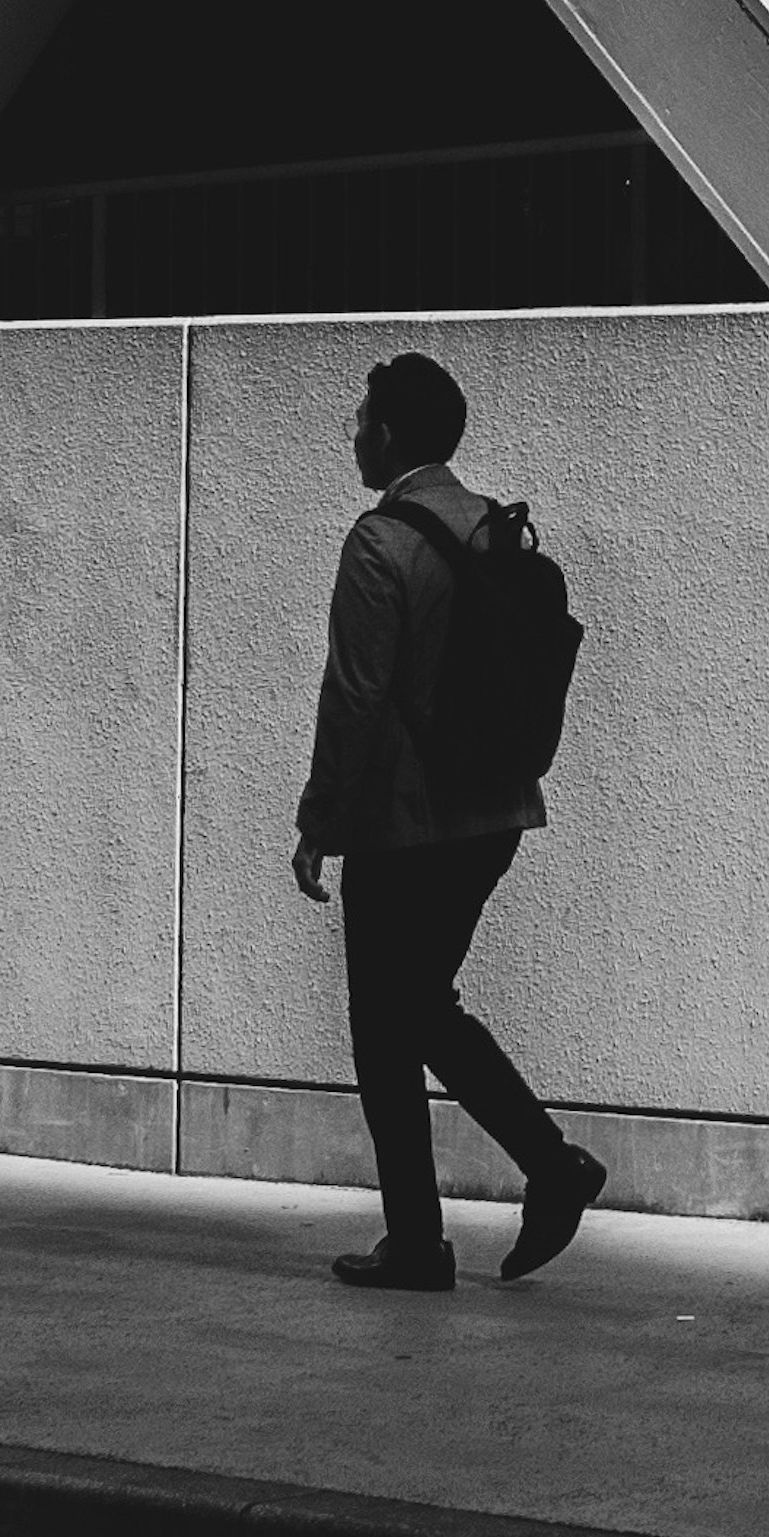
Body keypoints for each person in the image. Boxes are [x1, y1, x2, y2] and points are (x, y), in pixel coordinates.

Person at [292, 348, 607, 1296]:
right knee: (418, 1006)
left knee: (387, 1022)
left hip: (406, 824)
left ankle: (445, 1228)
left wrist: (317, 822)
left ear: (388, 434)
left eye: (362, 418)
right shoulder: (490, 530)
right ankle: (528, 1178)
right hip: (497, 811)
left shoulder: (379, 541)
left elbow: (354, 695)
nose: (354, 432)